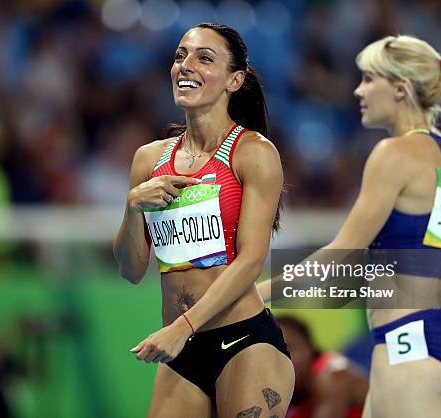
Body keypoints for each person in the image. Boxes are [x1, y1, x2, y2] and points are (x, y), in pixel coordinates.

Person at [259, 35, 441, 418]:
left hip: (407, 353)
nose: (359, 90)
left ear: (401, 89)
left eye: (369, 79)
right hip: (440, 344)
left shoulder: (392, 154)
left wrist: (256, 295)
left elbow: (341, 254)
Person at [114, 23, 294, 418]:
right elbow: (130, 270)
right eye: (180, 56)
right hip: (183, 351)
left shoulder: (253, 153)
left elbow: (250, 261)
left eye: (204, 58)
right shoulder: (149, 159)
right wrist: (132, 207)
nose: (186, 65)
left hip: (244, 341)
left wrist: (183, 327)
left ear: (235, 80)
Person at [277, 316, 367, 418]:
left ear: (309, 348)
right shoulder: (291, 394)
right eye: (270, 354)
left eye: (288, 349)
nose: (280, 360)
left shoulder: (333, 376)